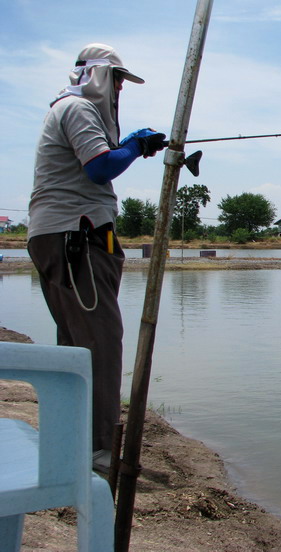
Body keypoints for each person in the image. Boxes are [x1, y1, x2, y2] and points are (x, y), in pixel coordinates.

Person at [27, 43, 167, 475]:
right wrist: (132, 146)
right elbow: (100, 168)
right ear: (101, 76)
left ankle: (71, 441)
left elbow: (103, 160)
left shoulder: (72, 110)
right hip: (76, 237)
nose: (122, 89)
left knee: (75, 344)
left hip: (66, 235)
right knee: (100, 344)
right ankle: (99, 452)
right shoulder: (79, 108)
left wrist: (132, 147)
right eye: (119, 80)